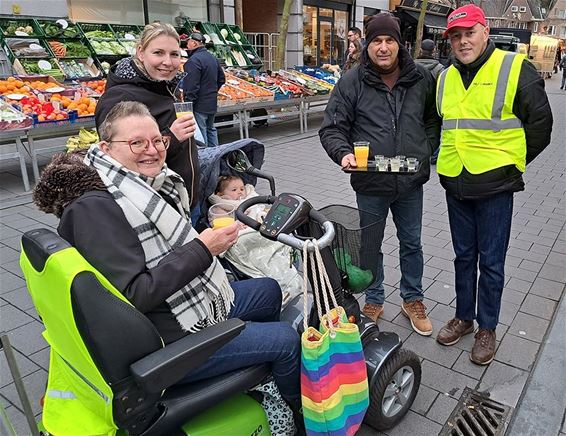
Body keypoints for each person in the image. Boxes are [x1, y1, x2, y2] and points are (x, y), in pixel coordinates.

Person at [33, 101, 302, 416]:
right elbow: (134, 294)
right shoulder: (94, 208)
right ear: (105, 147)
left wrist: (203, 248)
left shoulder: (126, 183)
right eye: (136, 143)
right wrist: (203, 249)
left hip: (174, 311)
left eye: (157, 140)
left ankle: (251, 370)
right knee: (285, 339)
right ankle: (294, 411)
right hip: (165, 342)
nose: (152, 150)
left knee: (268, 288)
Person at [435, 4, 553, 365]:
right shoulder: (445, 78)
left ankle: (487, 327)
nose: (462, 41)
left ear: (485, 32)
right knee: (463, 257)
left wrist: (511, 166)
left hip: (495, 188)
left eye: (468, 33)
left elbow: (541, 126)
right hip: (456, 182)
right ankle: (464, 318)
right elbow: (442, 126)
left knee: (493, 262)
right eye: (455, 36)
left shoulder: (516, 68)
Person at [319, 13, 441, 336]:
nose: (383, 47)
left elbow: (433, 119)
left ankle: (412, 298)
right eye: (376, 41)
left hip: (410, 182)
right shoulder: (352, 81)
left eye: (389, 41)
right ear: (367, 46)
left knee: (411, 242)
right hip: (370, 182)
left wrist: (426, 148)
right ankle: (374, 297)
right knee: (370, 244)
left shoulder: (421, 79)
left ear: (399, 44)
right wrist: (342, 153)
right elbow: (332, 128)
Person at [95, 22, 200, 213]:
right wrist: (172, 137)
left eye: (174, 54)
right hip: (156, 207)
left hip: (183, 199)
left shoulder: (164, 86)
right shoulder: (120, 97)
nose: (168, 62)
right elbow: (115, 157)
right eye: (158, 53)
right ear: (141, 52)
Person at [209, 176, 302, 302]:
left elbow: (259, 213)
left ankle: (288, 280)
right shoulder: (220, 208)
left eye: (242, 188)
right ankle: (281, 285)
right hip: (244, 240)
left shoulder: (250, 202)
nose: (240, 192)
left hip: (259, 235)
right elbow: (219, 227)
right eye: (234, 190)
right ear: (221, 195)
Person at [183, 32, 226, 147]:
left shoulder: (193, 61)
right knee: (211, 129)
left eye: (188, 41)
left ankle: (206, 157)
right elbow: (222, 79)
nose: (186, 44)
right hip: (211, 102)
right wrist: (212, 91)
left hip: (199, 103)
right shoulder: (212, 58)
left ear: (194, 43)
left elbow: (192, 86)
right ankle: (216, 154)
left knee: (201, 132)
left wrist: (189, 103)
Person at [415, 39, 444, 164]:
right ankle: (433, 153)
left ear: (420, 49)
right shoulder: (439, 69)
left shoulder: (412, 65)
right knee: (433, 126)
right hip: (434, 104)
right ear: (434, 51)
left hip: (415, 102)